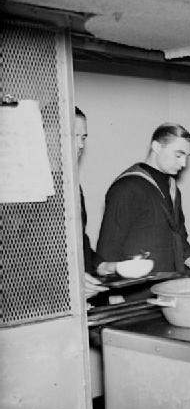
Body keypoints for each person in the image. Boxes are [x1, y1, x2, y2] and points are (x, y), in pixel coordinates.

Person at [96, 123, 190, 275]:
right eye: (178, 155)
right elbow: (108, 249)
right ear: (156, 147)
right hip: (135, 290)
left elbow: (178, 236)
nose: (183, 163)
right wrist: (114, 296)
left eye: (186, 157)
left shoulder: (172, 188)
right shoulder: (127, 187)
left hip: (168, 284)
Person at [74, 107, 108, 300]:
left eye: (84, 137)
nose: (80, 145)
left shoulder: (72, 184)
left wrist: (101, 265)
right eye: (74, 135)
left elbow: (80, 240)